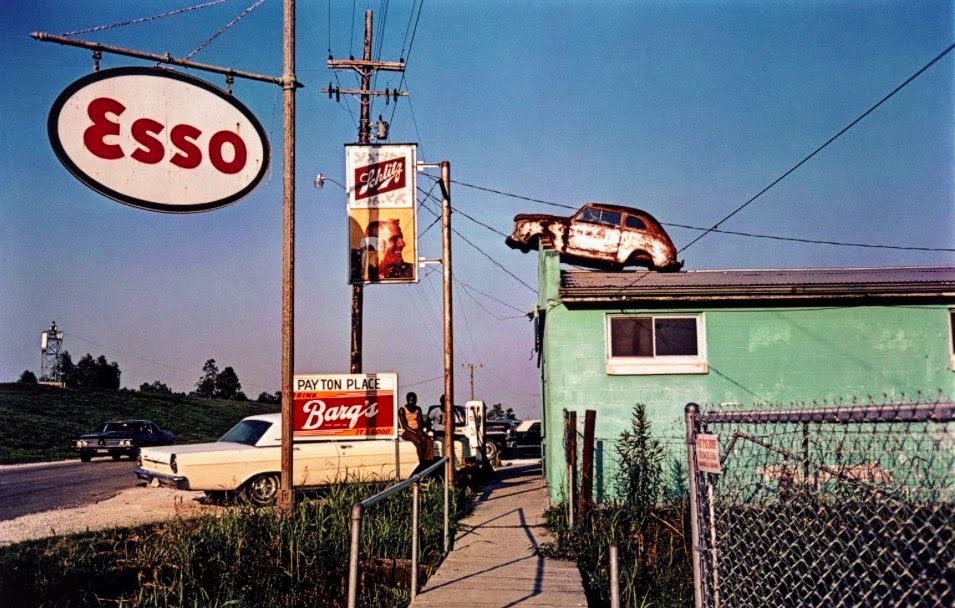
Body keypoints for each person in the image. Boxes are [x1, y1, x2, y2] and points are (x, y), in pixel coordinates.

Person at [398, 391, 433, 465]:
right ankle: (421, 462)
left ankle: (428, 462)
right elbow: (404, 426)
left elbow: (420, 422)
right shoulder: (402, 410)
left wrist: (420, 431)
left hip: (417, 430)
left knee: (429, 441)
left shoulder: (418, 409)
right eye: (410, 400)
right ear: (407, 400)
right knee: (419, 442)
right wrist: (415, 432)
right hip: (407, 431)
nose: (412, 402)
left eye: (414, 401)